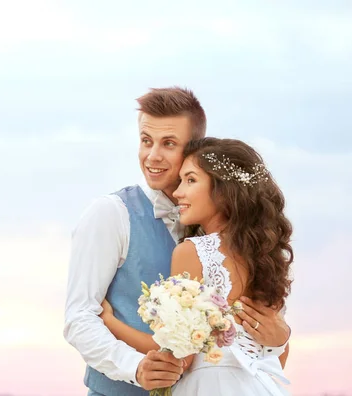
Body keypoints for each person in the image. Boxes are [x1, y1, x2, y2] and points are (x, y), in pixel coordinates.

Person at [63, 87, 291, 396]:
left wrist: (281, 338)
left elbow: (255, 350)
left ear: (194, 150)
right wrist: (135, 368)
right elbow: (79, 317)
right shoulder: (110, 214)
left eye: (168, 144)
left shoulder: (227, 240)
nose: (152, 156)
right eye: (146, 141)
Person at [100, 137, 293, 395]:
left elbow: (181, 359)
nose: (178, 192)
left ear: (224, 191)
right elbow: (273, 360)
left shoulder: (192, 252)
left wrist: (109, 322)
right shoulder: (266, 260)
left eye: (190, 180)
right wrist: (283, 340)